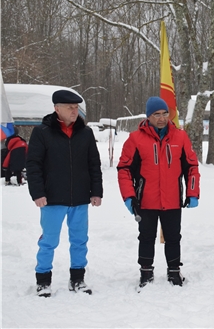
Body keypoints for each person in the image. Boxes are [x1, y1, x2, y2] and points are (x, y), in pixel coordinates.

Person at [26, 90, 103, 298]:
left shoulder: (85, 133)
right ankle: (43, 280)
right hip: (52, 198)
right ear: (56, 108)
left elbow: (94, 164)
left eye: (76, 108)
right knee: (49, 240)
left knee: (80, 240)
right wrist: (37, 193)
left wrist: (96, 191)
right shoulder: (42, 132)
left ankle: (77, 278)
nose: (74, 111)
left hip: (79, 198)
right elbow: (33, 165)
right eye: (70, 107)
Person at [117, 96, 200, 289]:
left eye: (165, 114)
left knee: (173, 236)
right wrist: (129, 196)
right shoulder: (135, 139)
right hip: (145, 200)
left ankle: (174, 271)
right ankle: (146, 271)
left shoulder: (180, 137)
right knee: (146, 237)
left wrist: (192, 191)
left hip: (172, 199)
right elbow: (124, 169)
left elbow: (192, 167)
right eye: (157, 115)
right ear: (149, 116)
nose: (162, 118)